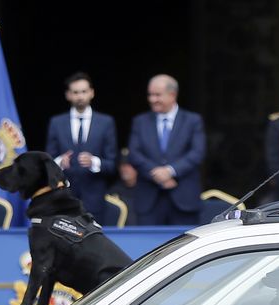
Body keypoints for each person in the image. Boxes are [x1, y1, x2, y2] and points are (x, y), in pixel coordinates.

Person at [127, 74, 206, 226]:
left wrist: (170, 171)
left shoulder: (192, 121)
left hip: (183, 198)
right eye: (150, 95)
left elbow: (197, 153)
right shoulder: (140, 122)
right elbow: (134, 154)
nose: (152, 99)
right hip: (149, 199)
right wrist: (157, 173)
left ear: (172, 95)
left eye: (157, 95)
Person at [45, 72, 118, 223]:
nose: (80, 96)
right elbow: (47, 161)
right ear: (68, 95)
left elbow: (112, 164)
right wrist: (59, 163)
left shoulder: (106, 122)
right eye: (75, 92)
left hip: (94, 199)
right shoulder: (56, 122)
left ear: (92, 93)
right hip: (64, 198)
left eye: (84, 91)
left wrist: (94, 162)